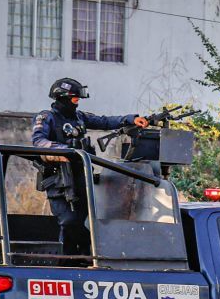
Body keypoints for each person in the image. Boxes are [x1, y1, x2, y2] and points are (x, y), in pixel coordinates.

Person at [32, 78, 147, 258]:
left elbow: (105, 122)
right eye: (75, 99)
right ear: (62, 97)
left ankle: (79, 259)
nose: (77, 102)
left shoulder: (80, 117)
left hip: (81, 178)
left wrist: (131, 119)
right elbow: (39, 141)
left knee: (85, 221)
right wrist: (66, 151)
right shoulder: (47, 117)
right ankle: (76, 257)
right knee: (69, 221)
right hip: (59, 180)